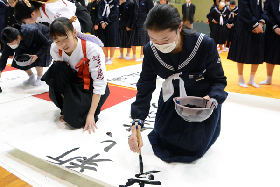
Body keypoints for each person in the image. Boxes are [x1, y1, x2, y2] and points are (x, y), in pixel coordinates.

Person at [128, 5, 228, 163]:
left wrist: (211, 100)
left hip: (201, 103)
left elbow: (218, 80)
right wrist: (136, 124)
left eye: (166, 39)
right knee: (165, 140)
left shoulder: (204, 44)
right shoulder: (150, 51)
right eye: (153, 39)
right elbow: (145, 87)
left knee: (193, 147)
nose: (160, 44)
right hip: (172, 99)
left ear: (179, 27)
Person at [42, 17, 110, 133]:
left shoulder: (93, 50)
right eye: (57, 40)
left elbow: (99, 83)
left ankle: (82, 109)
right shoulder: (55, 49)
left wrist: (91, 114)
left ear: (74, 32)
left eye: (65, 38)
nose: (62, 44)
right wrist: (67, 107)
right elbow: (61, 78)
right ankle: (67, 108)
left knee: (78, 122)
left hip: (91, 86)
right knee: (56, 68)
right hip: (75, 82)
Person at [227, 0, 267, 88]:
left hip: (259, 26)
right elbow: (244, 11)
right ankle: (240, 79)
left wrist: (261, 23)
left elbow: (265, 9)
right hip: (244, 26)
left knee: (257, 53)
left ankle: (251, 79)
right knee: (242, 53)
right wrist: (255, 24)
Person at [0, 23, 52, 91]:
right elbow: (4, 55)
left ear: (18, 37)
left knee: (37, 56)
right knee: (20, 59)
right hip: (25, 41)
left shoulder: (32, 31)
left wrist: (37, 55)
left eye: (11, 43)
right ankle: (31, 76)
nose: (9, 45)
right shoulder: (9, 38)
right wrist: (0, 69)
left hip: (42, 38)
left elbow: (46, 43)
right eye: (8, 44)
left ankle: (40, 77)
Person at [14, 0, 93, 34]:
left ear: (32, 14)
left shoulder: (52, 9)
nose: (26, 23)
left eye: (25, 21)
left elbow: (74, 24)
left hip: (79, 17)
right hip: (65, 22)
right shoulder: (35, 11)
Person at [259, 0, 280, 85]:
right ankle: (269, 79)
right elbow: (266, 13)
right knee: (270, 55)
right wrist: (275, 27)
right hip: (272, 29)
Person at [98, 0, 120, 65]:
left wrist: (107, 22)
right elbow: (100, 11)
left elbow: (115, 12)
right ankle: (106, 57)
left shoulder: (115, 1)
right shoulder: (102, 1)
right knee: (102, 40)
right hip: (102, 24)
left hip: (112, 23)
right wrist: (102, 22)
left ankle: (111, 58)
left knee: (112, 41)